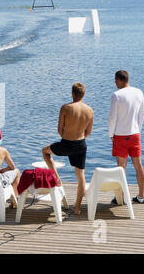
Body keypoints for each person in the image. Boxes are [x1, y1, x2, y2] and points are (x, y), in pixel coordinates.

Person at [42, 83, 94, 215]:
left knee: (45, 151)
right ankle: (77, 208)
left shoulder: (65, 108)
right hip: (81, 145)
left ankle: (56, 178)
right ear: (83, 94)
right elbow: (88, 132)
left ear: (72, 93)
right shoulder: (89, 110)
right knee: (81, 176)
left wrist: (66, 136)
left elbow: (59, 130)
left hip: (66, 144)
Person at [108, 70, 144, 204]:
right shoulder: (139, 92)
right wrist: (137, 130)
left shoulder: (116, 95)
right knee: (138, 165)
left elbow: (112, 117)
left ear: (119, 80)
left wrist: (110, 134)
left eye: (115, 80)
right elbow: (142, 114)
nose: (114, 82)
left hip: (120, 136)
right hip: (135, 134)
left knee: (121, 168)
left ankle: (122, 198)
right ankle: (141, 197)